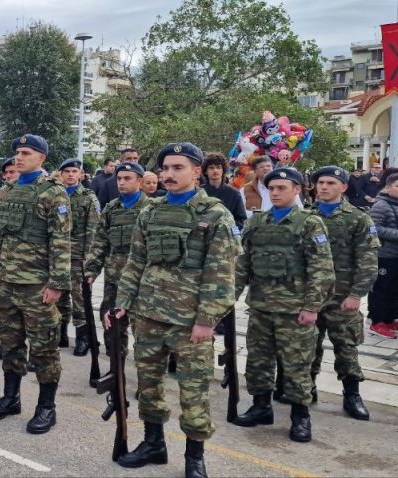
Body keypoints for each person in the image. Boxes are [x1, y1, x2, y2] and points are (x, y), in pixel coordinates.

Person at [112, 142, 238, 477]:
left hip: (190, 322)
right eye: (165, 168)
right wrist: (123, 302)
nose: (168, 174)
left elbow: (222, 274)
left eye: (177, 168)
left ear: (197, 172)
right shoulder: (149, 212)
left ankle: (194, 458)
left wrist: (207, 320)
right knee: (149, 385)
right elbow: (136, 261)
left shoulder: (215, 214)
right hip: (149, 315)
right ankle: (154, 444)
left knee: (193, 391)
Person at [0, 134, 70, 435]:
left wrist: (56, 284)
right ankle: (11, 398)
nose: (19, 157)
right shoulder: (4, 193)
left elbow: (61, 242)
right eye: (17, 152)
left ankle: (46, 408)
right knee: (11, 345)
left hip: (37, 286)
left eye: (26, 152)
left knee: (44, 349)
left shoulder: (54, 194)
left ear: (41, 158)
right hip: (5, 284)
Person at [234, 167, 334, 444]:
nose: (275, 193)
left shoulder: (309, 223)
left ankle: (300, 415)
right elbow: (242, 264)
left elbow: (321, 269)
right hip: (261, 306)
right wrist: (227, 298)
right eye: (272, 189)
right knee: (258, 360)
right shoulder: (256, 222)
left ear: (297, 190)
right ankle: (261, 406)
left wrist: (312, 307)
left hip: (295, 310)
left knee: (296, 364)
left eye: (282, 188)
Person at [307, 166, 378, 420]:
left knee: (346, 346)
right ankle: (307, 388)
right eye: (321, 183)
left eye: (331, 183)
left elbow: (368, 262)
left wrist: (356, 295)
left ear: (344, 187)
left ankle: (352, 395)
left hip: (343, 296)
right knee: (307, 346)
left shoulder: (358, 219)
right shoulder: (306, 216)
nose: (324, 187)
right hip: (311, 297)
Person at [84, 162, 150, 357]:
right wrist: (91, 271)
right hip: (114, 279)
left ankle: (145, 379)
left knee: (143, 330)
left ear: (140, 181)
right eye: (119, 178)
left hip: (142, 280)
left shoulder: (151, 209)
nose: (121, 182)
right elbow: (100, 242)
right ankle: (116, 369)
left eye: (127, 178)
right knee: (111, 325)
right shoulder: (111, 208)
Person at [56, 158, 101, 356]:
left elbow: (94, 229)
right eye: (67, 171)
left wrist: (88, 257)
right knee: (60, 296)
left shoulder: (88, 198)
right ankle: (61, 334)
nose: (71, 175)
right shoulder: (56, 195)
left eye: (74, 171)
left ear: (81, 175)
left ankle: (83, 338)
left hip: (78, 256)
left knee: (79, 297)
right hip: (57, 255)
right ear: (61, 174)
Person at [368, 173, 398, 336]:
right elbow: (374, 229)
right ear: (388, 187)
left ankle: (389, 319)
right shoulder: (381, 205)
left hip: (395, 256)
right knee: (381, 289)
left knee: (394, 289)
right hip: (384, 255)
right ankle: (377, 322)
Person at [201, 153, 247, 229]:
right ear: (206, 171)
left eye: (218, 167)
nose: (215, 170)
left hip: (226, 236)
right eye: (211, 168)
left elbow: (241, 220)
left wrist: (228, 231)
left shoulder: (234, 193)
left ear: (223, 170)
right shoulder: (199, 192)